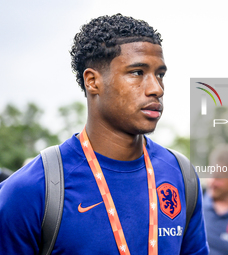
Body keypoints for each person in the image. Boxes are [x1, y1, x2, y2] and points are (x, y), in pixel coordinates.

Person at [0, 14, 208, 255]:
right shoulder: (32, 189)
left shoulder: (182, 176)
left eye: (160, 74)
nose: (156, 88)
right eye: (137, 72)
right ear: (92, 81)